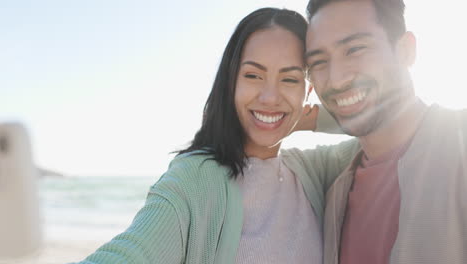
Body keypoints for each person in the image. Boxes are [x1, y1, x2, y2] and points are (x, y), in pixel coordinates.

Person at [71, 8, 359, 264]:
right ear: (230, 80)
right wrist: (283, 114)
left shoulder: (315, 171)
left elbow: (378, 120)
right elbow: (133, 252)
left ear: (308, 91)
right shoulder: (194, 177)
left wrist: (299, 118)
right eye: (253, 75)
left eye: (289, 79)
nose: (270, 96)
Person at [304, 0, 467, 264]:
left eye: (355, 49)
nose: (336, 79)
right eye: (319, 62)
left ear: (405, 50)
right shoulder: (333, 189)